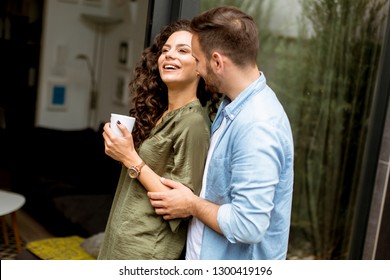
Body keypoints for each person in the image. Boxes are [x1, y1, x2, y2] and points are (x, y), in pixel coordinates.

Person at [148, 6, 294, 260]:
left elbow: (247, 225)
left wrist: (191, 204)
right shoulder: (233, 106)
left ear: (217, 62)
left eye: (198, 59)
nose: (198, 69)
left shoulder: (258, 126)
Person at [98, 19, 221, 260]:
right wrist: (121, 148)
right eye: (165, 50)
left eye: (183, 51)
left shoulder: (193, 123)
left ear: (200, 67)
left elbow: (181, 208)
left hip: (146, 250)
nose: (169, 56)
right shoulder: (160, 112)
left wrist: (129, 156)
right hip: (120, 238)